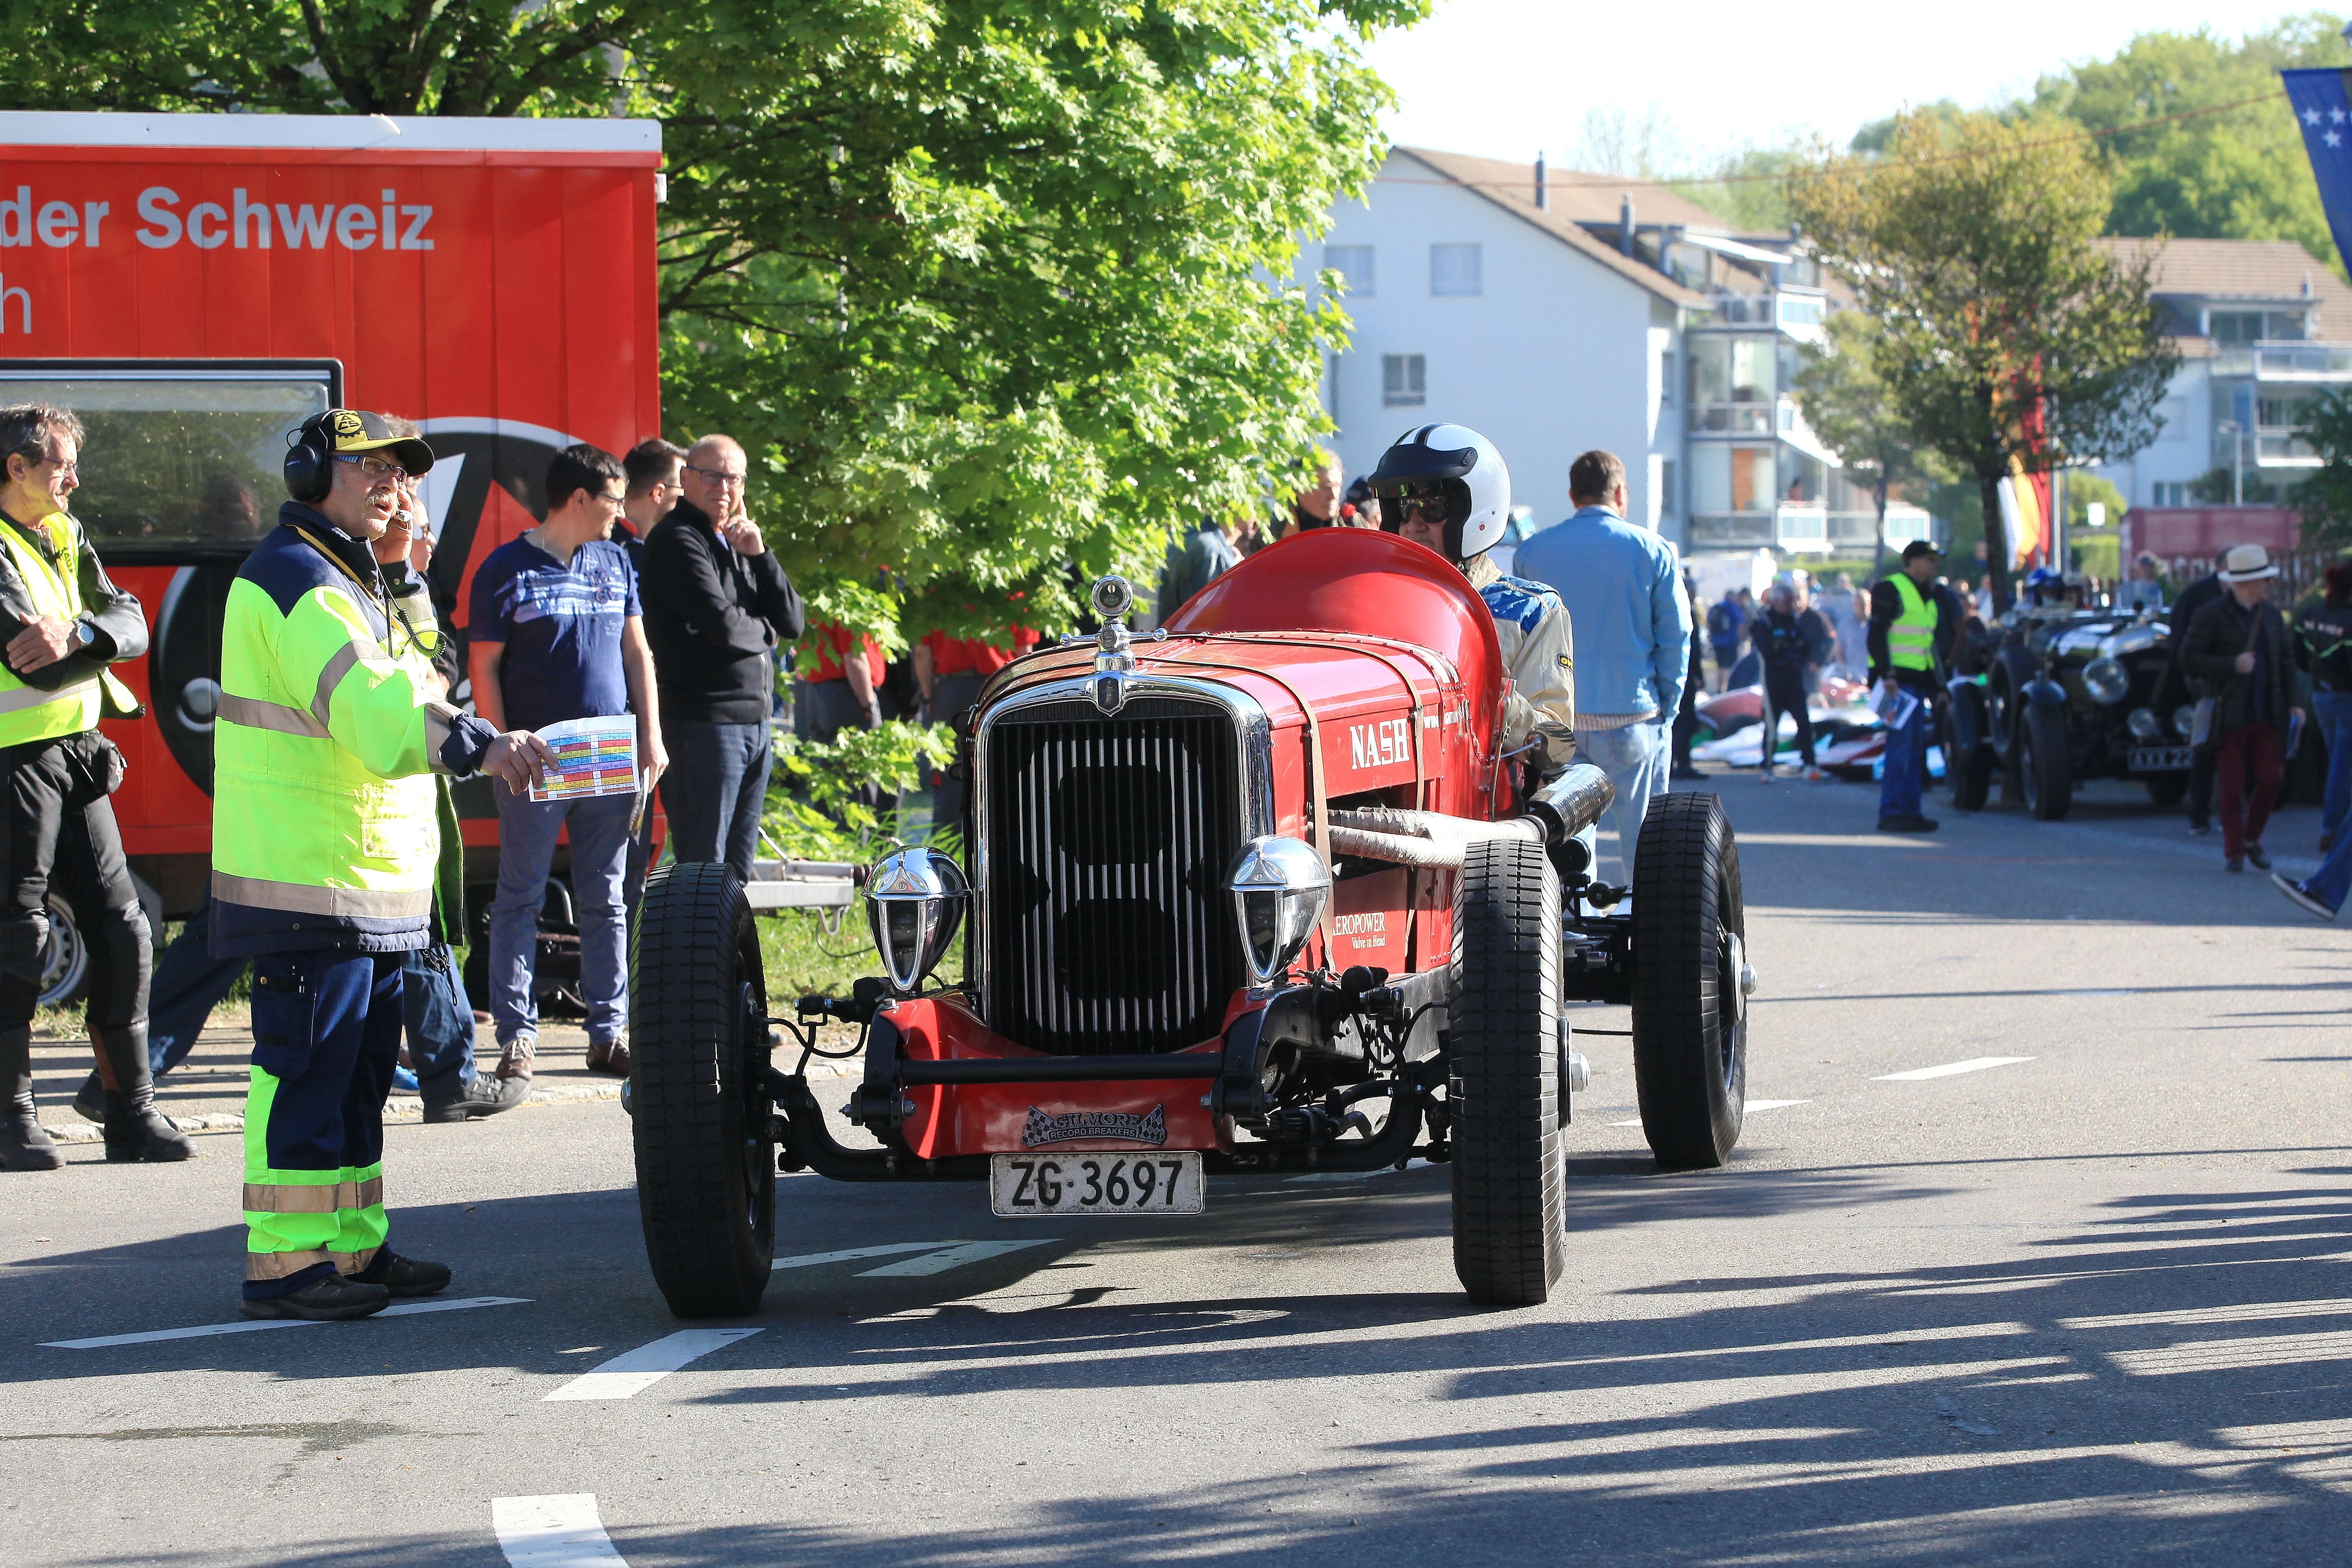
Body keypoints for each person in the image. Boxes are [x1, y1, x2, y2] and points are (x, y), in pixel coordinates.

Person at [213, 407, 550, 1320]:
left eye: (402, 473)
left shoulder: (356, 577)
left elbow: (421, 677)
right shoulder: (297, 579)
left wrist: (404, 575)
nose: (392, 485)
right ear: (312, 469)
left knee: (357, 1075)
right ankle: (284, 1265)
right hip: (308, 876)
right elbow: (374, 710)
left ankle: (352, 1250)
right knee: (309, 1069)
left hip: (360, 876)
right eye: (369, 469)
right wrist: (478, 745)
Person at [0, 404, 186, 1171]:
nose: (74, 480)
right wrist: (93, 638)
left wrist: (81, 633)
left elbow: (131, 621)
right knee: (18, 936)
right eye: (60, 466)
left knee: (125, 928)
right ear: (16, 466)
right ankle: (12, 1120)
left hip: (77, 752)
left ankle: (130, 1116)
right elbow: (24, 661)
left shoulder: (66, 535)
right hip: (12, 757)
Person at [470, 443, 666, 1082]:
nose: (621, 513)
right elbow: (485, 667)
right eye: (613, 500)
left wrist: (652, 739)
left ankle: (609, 1033)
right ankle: (516, 1040)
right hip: (537, 757)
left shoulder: (616, 561)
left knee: (607, 897)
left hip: (611, 753)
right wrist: (500, 744)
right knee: (520, 896)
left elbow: (638, 655)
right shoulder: (505, 568)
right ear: (579, 499)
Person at [1513, 447, 1688, 883]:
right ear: (1621, 494)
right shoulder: (1654, 550)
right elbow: (1676, 636)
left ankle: (1574, 932)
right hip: (1633, 713)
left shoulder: (1533, 552)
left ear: (1573, 495)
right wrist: (1669, 704)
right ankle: (1645, 931)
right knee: (1646, 845)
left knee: (1568, 842)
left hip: (1557, 724)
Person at [1367, 423, 1576, 783]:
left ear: (1476, 511)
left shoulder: (1530, 611)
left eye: (1432, 507)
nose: (1413, 525)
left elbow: (1557, 748)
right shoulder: (1366, 603)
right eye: (1403, 508)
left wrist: (1495, 697)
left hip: (1485, 821)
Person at [642, 434, 806, 882]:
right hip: (703, 725)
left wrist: (761, 554)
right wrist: (765, 631)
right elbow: (724, 626)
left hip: (755, 726)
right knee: (703, 871)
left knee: (738, 873)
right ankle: (695, 955)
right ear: (686, 478)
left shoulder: (736, 541)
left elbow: (792, 620)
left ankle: (728, 955)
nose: (724, 487)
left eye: (733, 478)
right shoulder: (677, 539)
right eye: (711, 476)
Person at [2180, 544, 2303, 873]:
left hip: (2267, 713)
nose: (2267, 586)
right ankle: (2234, 851)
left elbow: (2286, 664)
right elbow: (2189, 659)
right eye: (2263, 580)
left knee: (2272, 779)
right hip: (2229, 715)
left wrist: (2295, 704)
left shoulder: (2273, 617)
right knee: (2231, 788)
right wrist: (2231, 665)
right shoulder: (2212, 615)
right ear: (2247, 583)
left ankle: (2251, 839)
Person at [1868, 540, 1966, 833]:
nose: (1935, 565)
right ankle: (1893, 812)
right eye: (1929, 559)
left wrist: (1939, 686)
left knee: (1914, 751)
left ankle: (1910, 812)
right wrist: (1887, 674)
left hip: (1916, 684)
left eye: (1937, 560)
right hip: (1896, 686)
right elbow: (1876, 636)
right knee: (1900, 750)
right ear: (1911, 561)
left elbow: (1928, 647)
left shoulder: (1931, 596)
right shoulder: (1891, 589)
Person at [915, 621, 1040, 836]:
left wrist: (928, 697)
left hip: (950, 691)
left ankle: (948, 845)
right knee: (1005, 768)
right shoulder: (1014, 593)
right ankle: (1006, 837)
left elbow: (922, 654)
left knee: (950, 770)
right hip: (998, 688)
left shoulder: (935, 593)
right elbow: (1024, 655)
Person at [2169, 552, 2230, 835]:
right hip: (2206, 682)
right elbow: (2180, 641)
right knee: (2206, 745)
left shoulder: (2245, 601)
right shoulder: (2198, 596)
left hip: (2233, 683)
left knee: (2230, 747)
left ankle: (2226, 813)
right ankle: (2200, 815)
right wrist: (2191, 677)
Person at [1752, 576, 1833, 782]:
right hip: (1773, 682)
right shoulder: (1765, 622)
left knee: (1804, 723)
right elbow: (1769, 652)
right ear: (1777, 601)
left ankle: (1810, 764)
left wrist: (1789, 651)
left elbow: (1804, 648)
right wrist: (1789, 650)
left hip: (1794, 679)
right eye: (1788, 601)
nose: (1792, 605)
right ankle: (1767, 767)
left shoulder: (1796, 620)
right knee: (1772, 725)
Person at [2297, 562, 2352, 854]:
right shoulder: (2348, 619)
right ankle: (2331, 831)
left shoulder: (2313, 613)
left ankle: (2336, 829)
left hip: (2321, 697)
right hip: (2346, 699)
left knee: (2339, 764)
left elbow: (2295, 649)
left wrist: (2315, 673)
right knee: (2343, 768)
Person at [1157, 515, 1239, 623]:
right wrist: (1236, 572)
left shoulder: (1187, 537)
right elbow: (1210, 616)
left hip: (1173, 634)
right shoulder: (1211, 549)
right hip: (1195, 637)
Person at [1670, 573, 1706, 782]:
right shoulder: (1679, 612)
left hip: (1690, 674)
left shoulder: (1689, 611)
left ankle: (1684, 762)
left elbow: (1697, 649)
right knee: (1681, 720)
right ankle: (1679, 763)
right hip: (1682, 673)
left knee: (1688, 720)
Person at [1290, 450, 1345, 533]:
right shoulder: (1274, 535)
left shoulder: (1353, 525)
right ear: (1301, 490)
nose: (1334, 496)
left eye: (1338, 486)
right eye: (1327, 487)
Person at [1706, 588, 1748, 693]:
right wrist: (1740, 639)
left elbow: (1709, 623)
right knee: (1729, 666)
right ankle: (1727, 689)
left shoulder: (1716, 607)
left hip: (1717, 642)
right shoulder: (1733, 607)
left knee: (1720, 666)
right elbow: (1741, 624)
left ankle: (1720, 688)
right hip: (1730, 642)